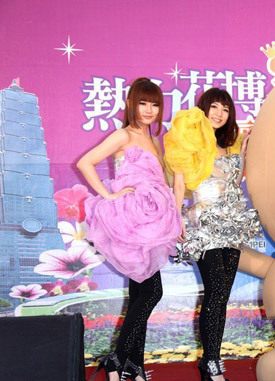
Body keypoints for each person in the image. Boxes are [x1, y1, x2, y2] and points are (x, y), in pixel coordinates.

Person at [79, 77, 182, 381]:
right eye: (143, 103)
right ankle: (116, 358)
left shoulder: (153, 140)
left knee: (141, 292)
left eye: (154, 104)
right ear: (131, 104)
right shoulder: (122, 135)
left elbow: (160, 182)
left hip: (152, 222)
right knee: (152, 292)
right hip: (132, 220)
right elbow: (86, 162)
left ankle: (131, 367)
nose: (149, 110)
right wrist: (109, 195)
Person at [163, 88, 261, 381]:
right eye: (214, 107)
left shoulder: (232, 144)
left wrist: (243, 153)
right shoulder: (189, 141)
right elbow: (179, 184)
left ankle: (212, 363)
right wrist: (177, 214)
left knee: (222, 296)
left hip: (232, 221)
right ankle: (211, 362)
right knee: (215, 290)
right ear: (203, 110)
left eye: (226, 109)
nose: (219, 114)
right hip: (205, 221)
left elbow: (236, 179)